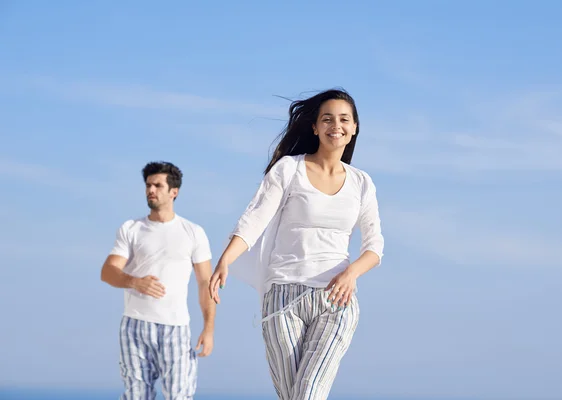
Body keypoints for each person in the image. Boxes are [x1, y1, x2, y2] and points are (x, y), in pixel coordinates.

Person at [209, 88, 384, 400]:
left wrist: (351, 273)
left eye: (344, 119)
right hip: (282, 300)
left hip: (336, 300)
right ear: (315, 127)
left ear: (354, 128)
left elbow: (374, 246)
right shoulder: (289, 169)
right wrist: (226, 258)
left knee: (308, 395)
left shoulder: (362, 183)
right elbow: (255, 217)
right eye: (327, 119)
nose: (336, 125)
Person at [101, 161, 215, 400]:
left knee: (179, 395)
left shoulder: (193, 232)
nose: (150, 190)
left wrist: (209, 328)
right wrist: (135, 282)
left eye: (157, 185)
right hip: (134, 327)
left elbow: (205, 283)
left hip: (176, 328)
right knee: (136, 395)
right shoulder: (131, 229)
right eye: (148, 185)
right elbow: (108, 271)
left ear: (174, 192)